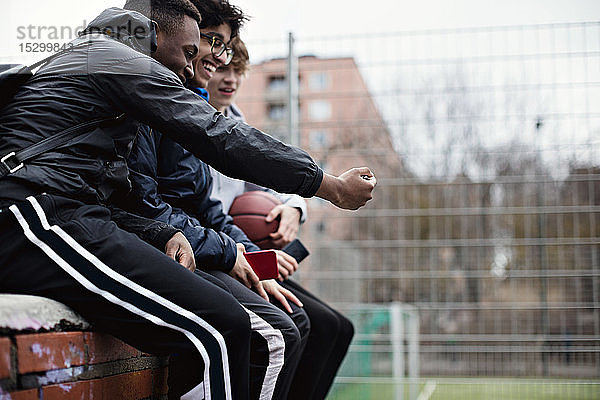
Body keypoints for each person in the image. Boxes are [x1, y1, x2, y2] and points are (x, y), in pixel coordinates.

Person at [0, 1, 375, 400]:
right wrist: (327, 184)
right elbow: (219, 136)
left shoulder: (110, 87)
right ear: (152, 37)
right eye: (188, 53)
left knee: (230, 323)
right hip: (31, 215)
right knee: (230, 330)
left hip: (71, 215)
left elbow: (113, 198)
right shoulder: (113, 57)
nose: (189, 67)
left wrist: (161, 233)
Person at [122, 1, 310, 398]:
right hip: (167, 247)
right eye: (212, 45)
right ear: (180, 39)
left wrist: (251, 254)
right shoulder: (150, 102)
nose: (220, 61)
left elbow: (208, 207)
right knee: (277, 335)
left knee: (298, 322)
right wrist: (232, 252)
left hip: (200, 244)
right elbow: (146, 206)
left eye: (228, 52)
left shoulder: (194, 108)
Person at [207, 38, 355, 400]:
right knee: (301, 325)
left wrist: (294, 208)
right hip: (221, 251)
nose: (231, 79)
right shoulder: (192, 126)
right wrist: (247, 252)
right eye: (223, 68)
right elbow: (200, 208)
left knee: (340, 327)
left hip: (240, 247)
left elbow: (271, 186)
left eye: (238, 71)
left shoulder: (236, 125)